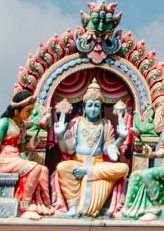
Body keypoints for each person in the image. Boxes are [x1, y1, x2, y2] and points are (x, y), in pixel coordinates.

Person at [53, 79, 130, 217]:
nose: (93, 109)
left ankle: (88, 172)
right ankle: (74, 206)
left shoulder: (105, 124)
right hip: (78, 161)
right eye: (89, 105)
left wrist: (121, 138)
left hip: (98, 164)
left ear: (101, 109)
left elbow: (109, 150)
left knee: (123, 169)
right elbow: (67, 150)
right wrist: (59, 136)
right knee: (62, 167)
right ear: (83, 108)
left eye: (96, 105)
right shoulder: (75, 122)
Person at [0, 90, 53, 218]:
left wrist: (29, 146)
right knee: (36, 168)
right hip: (4, 162)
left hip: (16, 160)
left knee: (43, 170)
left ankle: (44, 206)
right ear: (16, 111)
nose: (30, 114)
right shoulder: (5, 122)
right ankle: (24, 206)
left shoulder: (21, 124)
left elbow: (20, 148)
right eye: (28, 110)